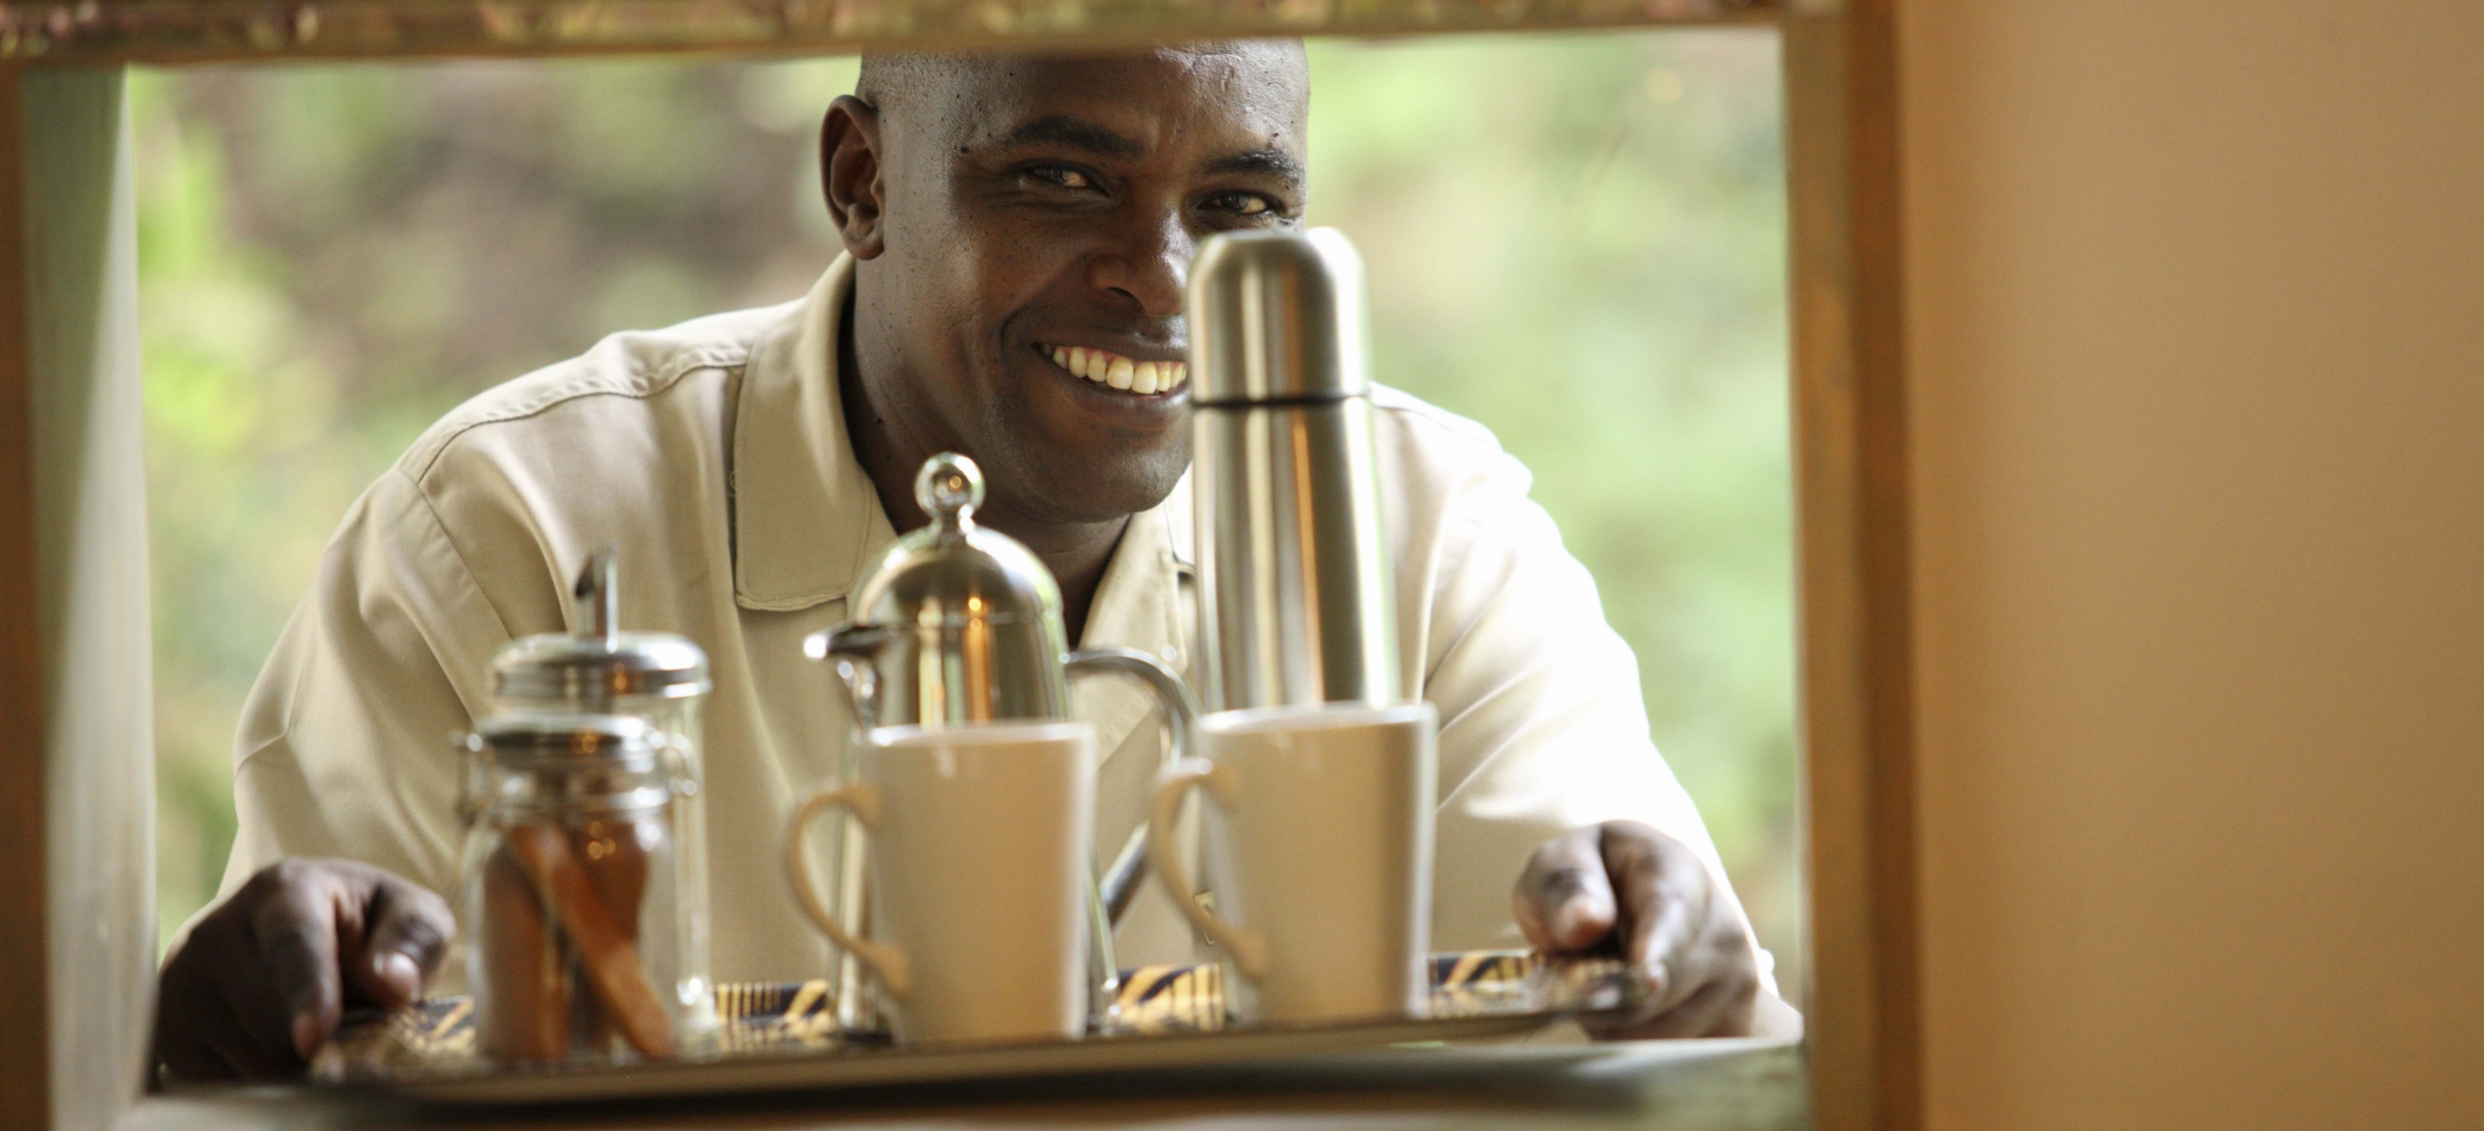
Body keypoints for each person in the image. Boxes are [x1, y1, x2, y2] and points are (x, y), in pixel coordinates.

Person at [149, 42, 1798, 1082]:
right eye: (1063, 179)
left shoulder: (1426, 530)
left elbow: (1646, 998)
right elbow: (310, 1049)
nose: (1161, 279)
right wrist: (275, 1006)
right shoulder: (512, 531)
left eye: (1237, 206)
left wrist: (1659, 967)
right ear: (861, 182)